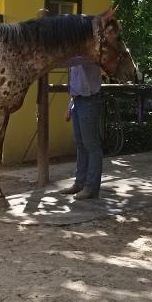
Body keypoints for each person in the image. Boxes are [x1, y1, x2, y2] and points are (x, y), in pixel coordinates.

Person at [60, 60, 103, 200]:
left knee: (91, 145)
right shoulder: (75, 53)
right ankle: (80, 183)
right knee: (80, 144)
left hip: (89, 100)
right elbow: (75, 83)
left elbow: (73, 60)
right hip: (78, 100)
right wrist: (70, 105)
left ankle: (91, 188)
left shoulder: (84, 52)